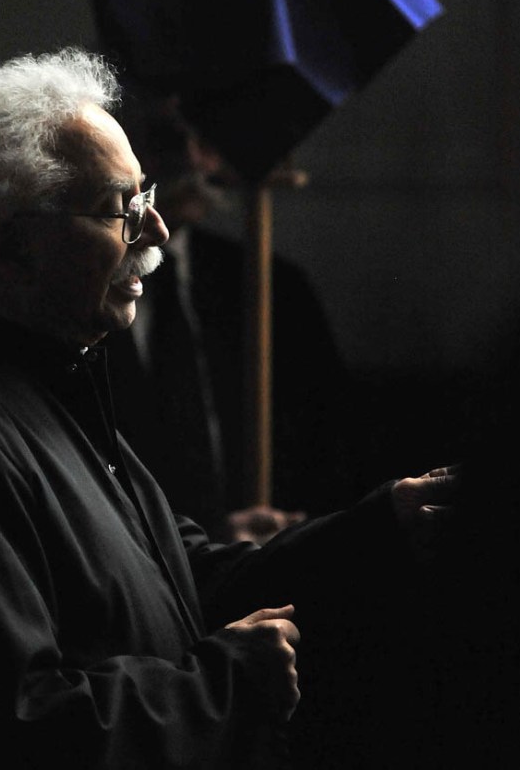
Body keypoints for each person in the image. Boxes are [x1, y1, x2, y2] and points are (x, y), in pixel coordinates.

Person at [0, 46, 457, 769]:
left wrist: (380, 526)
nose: (157, 233)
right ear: (13, 251)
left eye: (147, 198)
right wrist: (227, 680)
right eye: (119, 208)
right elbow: (19, 726)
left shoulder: (54, 385)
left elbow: (183, 579)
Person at [105, 88, 370, 542]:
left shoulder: (271, 289)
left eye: (206, 140)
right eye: (167, 140)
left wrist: (290, 543)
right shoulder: (84, 296)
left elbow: (335, 459)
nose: (192, 160)